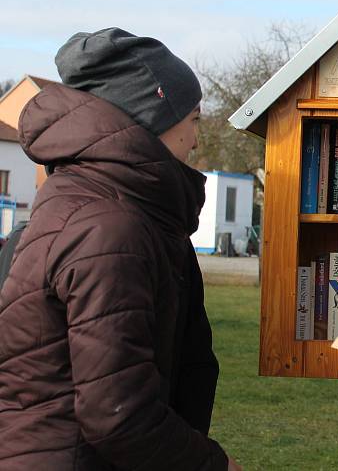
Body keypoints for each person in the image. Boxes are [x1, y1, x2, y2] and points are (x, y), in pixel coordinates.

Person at [0, 28, 241, 470]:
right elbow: (117, 414)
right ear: (154, 120)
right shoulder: (108, 228)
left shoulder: (104, 204)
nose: (195, 140)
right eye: (193, 120)